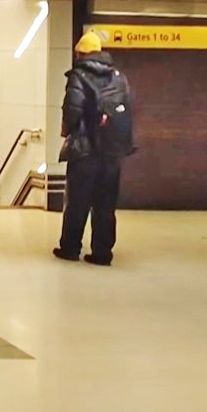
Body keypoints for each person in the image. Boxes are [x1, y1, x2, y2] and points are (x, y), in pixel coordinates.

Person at [55, 31, 136, 266]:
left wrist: (67, 129)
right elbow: (128, 105)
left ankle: (71, 248)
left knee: (77, 201)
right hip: (112, 150)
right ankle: (102, 253)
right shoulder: (118, 77)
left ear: (80, 53)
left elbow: (73, 110)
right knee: (105, 204)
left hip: (85, 149)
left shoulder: (78, 76)